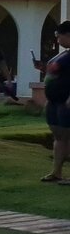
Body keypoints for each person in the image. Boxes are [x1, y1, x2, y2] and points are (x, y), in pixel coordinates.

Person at [42, 20, 70, 184]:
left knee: (67, 137)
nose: (57, 39)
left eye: (59, 36)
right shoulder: (63, 54)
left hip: (65, 102)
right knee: (59, 137)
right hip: (54, 101)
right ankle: (56, 172)